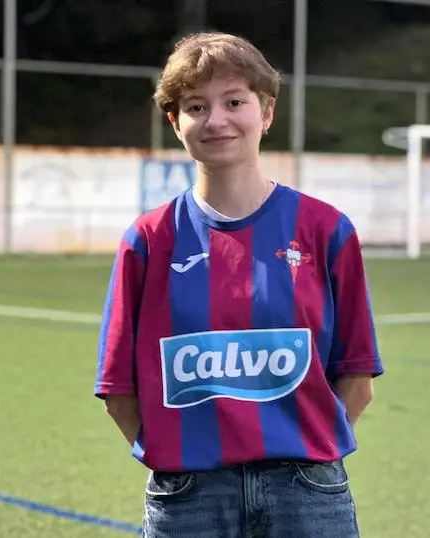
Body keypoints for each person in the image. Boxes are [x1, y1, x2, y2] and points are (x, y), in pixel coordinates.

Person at [94, 31, 384, 538]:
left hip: (308, 492)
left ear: (266, 112)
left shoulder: (326, 230)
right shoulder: (147, 240)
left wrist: (306, 453)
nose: (216, 120)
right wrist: (177, 458)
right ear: (175, 123)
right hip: (189, 497)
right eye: (195, 106)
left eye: (234, 101)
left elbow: (356, 379)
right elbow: (119, 391)